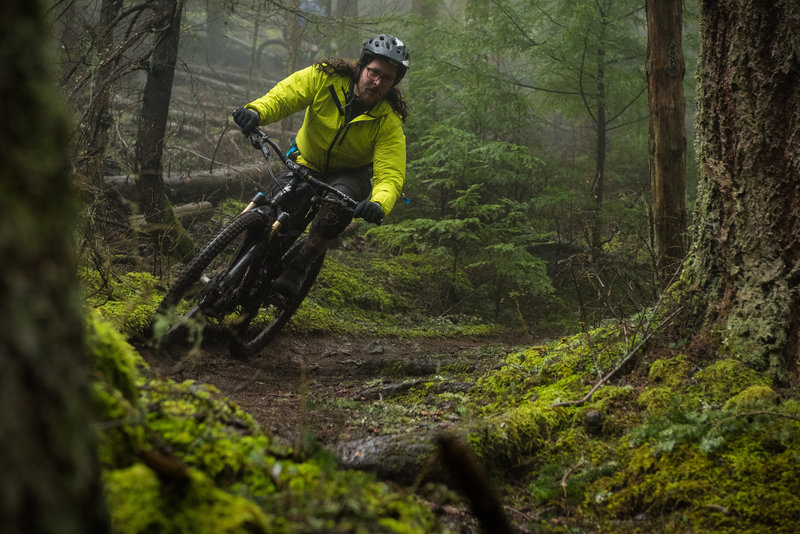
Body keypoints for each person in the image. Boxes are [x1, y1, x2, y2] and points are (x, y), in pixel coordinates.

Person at [232, 34, 410, 301]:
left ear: (393, 83)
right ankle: (233, 276)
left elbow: (390, 173)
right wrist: (257, 111)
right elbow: (286, 95)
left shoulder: (389, 120)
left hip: (350, 174)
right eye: (373, 72)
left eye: (386, 78)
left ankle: (297, 268)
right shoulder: (325, 77)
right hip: (306, 159)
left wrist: (379, 203)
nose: (377, 82)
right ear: (361, 66)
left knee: (336, 210)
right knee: (269, 216)